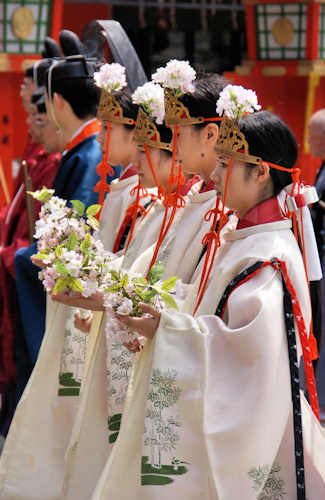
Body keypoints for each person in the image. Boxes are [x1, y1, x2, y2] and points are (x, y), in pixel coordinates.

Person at [90, 94, 325, 499]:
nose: (214, 175)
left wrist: (170, 328)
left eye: (225, 164)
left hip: (260, 429)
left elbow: (248, 352)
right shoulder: (244, 239)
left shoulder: (269, 255)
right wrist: (163, 317)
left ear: (260, 174)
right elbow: (204, 309)